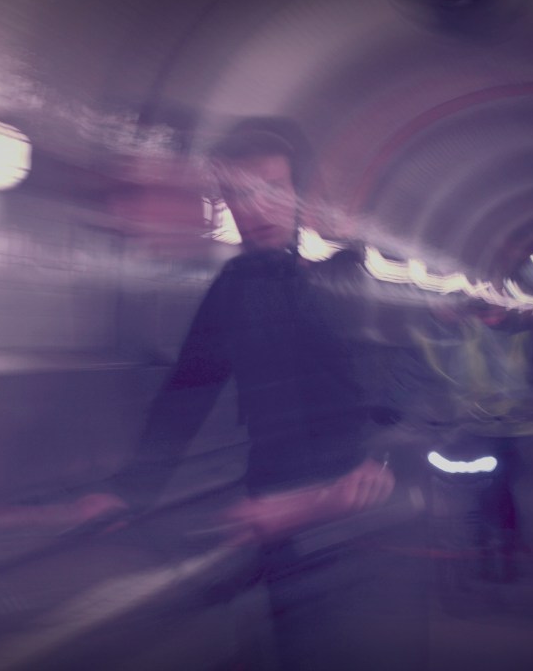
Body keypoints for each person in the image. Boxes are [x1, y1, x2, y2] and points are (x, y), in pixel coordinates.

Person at [111, 123, 426, 669]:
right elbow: (188, 392)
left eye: (272, 189)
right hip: (272, 501)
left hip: (350, 511)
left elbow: (396, 387)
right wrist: (131, 490)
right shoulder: (236, 286)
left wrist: (372, 464)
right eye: (238, 193)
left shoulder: (349, 276)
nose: (255, 208)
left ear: (301, 194)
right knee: (293, 641)